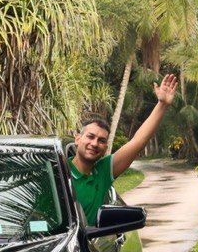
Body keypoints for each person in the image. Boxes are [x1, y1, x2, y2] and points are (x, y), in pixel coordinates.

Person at [70, 75, 179, 226]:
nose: (94, 144)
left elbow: (138, 142)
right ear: (78, 139)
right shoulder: (59, 172)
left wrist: (162, 105)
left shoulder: (102, 173)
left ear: (105, 149)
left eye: (101, 141)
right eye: (90, 137)